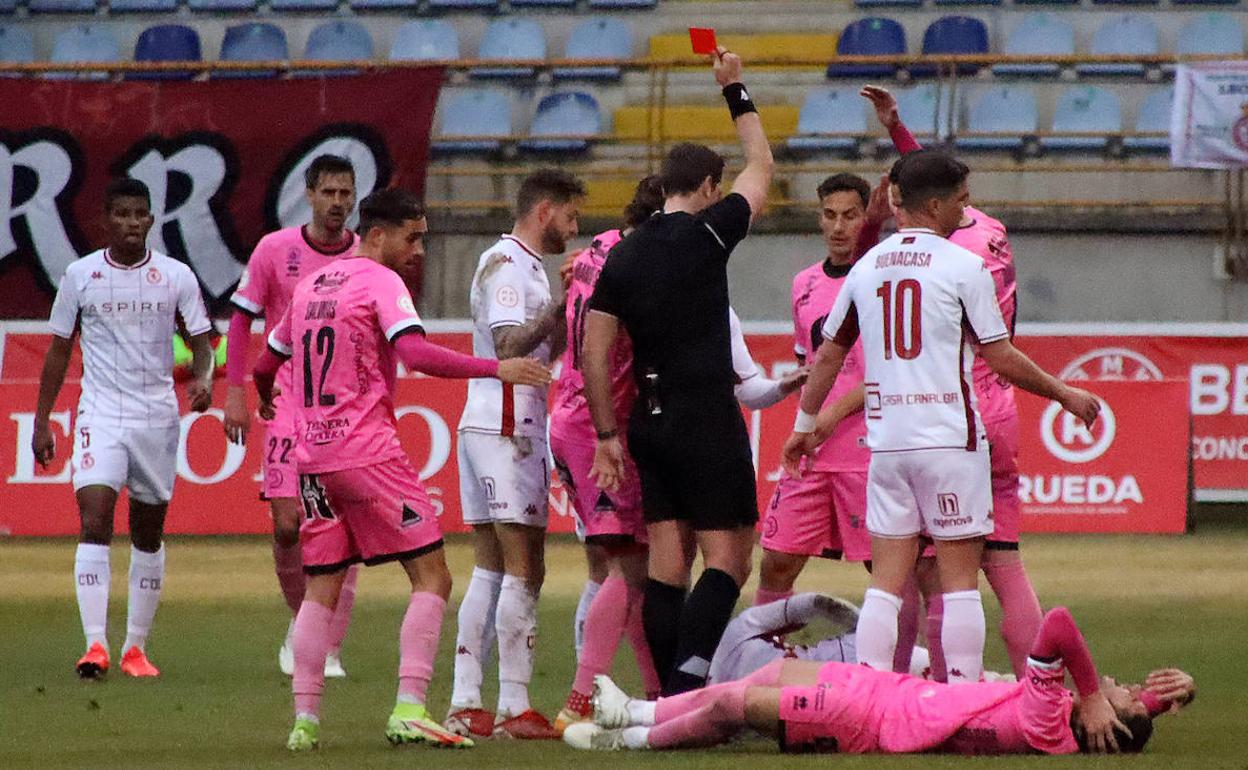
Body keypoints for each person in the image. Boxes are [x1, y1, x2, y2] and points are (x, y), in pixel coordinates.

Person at [781, 151, 1100, 685]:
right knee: (958, 585)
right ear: (935, 204)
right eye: (961, 198)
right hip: (950, 441)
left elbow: (829, 355)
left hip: (888, 447)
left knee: (885, 582)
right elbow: (999, 357)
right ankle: (965, 696)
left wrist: (801, 427)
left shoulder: (866, 267)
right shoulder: (963, 267)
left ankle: (870, 693)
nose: (967, 207)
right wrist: (1063, 393)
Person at [252, 188, 552, 751]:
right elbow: (415, 355)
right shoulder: (381, 282)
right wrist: (497, 367)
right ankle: (410, 708)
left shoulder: (312, 285)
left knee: (323, 586)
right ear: (378, 233)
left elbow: (266, 363)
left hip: (311, 459)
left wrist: (270, 397)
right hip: (367, 452)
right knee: (433, 576)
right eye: (412, 238)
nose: (418, 250)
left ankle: (305, 722)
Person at [582, 46, 774, 697]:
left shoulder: (622, 255)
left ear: (662, 187)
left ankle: (666, 698)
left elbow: (592, 346)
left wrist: (608, 435)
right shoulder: (713, 232)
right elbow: (763, 164)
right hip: (704, 417)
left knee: (669, 567)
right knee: (729, 559)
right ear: (709, 188)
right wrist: (735, 89)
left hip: (647, 420)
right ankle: (692, 680)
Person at [860, 84, 1043, 681]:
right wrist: (897, 130)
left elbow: (918, 198)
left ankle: (922, 689)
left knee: (924, 574)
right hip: (999, 408)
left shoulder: (933, 253)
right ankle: (1038, 689)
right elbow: (929, 189)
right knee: (1004, 565)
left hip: (945, 413)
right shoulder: (987, 231)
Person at [32, 178, 214, 679]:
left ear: (151, 221)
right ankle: (95, 646)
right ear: (107, 220)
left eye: (141, 215)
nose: (133, 223)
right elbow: (59, 349)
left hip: (156, 415)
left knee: (148, 533)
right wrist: (44, 418)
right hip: (100, 412)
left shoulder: (175, 276)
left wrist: (203, 379)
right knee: (94, 518)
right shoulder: (80, 275)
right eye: (123, 215)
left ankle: (135, 649)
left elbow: (201, 339)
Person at [565, 607, 1164, 756]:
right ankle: (639, 711)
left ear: (1102, 719)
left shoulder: (1045, 720)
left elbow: (1057, 623)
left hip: (870, 718)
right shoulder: (1061, 720)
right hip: (888, 694)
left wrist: (1091, 694)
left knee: (736, 703)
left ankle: (631, 736)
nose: (1119, 682)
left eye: (1126, 695)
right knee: (771, 672)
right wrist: (1159, 701)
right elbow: (1125, 716)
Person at [448, 168, 585, 740]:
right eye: (572, 217)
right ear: (545, 210)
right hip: (507, 426)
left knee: (489, 567)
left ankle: (464, 701)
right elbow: (508, 346)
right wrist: (561, 304)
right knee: (524, 566)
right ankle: (512, 705)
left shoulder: (512, 263)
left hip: (487, 423)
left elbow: (537, 347)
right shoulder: (509, 265)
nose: (575, 229)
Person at [223, 154, 361, 678]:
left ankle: (322, 643)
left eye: (345, 194)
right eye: (328, 192)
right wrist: (235, 392)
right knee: (287, 526)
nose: (337, 203)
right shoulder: (275, 250)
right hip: (282, 401)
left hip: (344, 411)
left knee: (340, 525)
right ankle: (304, 622)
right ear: (309, 194)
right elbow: (241, 320)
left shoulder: (366, 258)